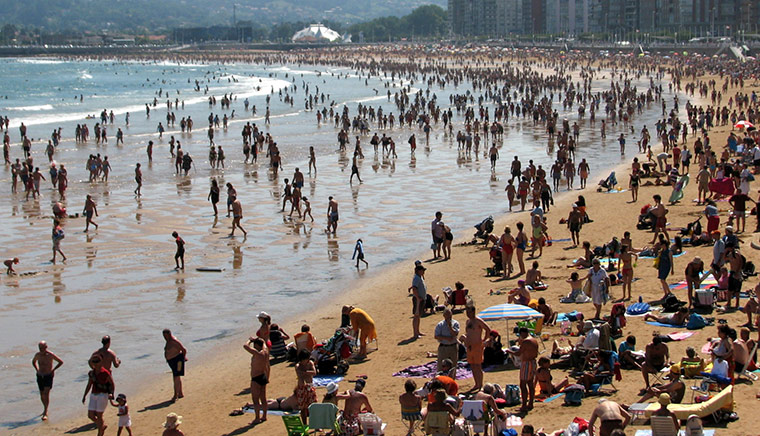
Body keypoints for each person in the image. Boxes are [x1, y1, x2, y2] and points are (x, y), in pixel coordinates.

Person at [507, 327, 539, 412]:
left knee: (523, 384)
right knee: (530, 384)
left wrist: (509, 351)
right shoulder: (533, 340)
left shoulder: (526, 341)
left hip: (527, 364)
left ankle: (524, 405)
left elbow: (518, 353)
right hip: (533, 362)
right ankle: (530, 403)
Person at [82, 354, 115, 436]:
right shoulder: (91, 373)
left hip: (102, 395)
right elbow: (89, 384)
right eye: (94, 362)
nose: (96, 363)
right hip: (93, 395)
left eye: (97, 361)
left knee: (99, 415)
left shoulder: (105, 372)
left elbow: (112, 384)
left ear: (101, 362)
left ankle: (100, 433)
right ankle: (101, 426)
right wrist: (84, 395)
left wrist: (111, 393)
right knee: (90, 415)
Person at [462, 302, 490, 392]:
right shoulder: (468, 322)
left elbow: (487, 329)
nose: (468, 314)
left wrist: (483, 340)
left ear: (473, 312)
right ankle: (476, 383)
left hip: (477, 346)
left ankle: (480, 384)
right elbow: (468, 333)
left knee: (478, 366)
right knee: (472, 366)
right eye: (467, 312)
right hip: (469, 347)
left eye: (469, 312)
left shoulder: (478, 321)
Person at [32, 341, 63, 420]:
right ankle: (44, 408)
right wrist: (37, 370)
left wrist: (53, 370)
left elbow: (60, 362)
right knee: (42, 394)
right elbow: (33, 362)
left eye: (42, 348)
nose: (41, 349)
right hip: (40, 375)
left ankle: (45, 411)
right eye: (40, 348)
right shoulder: (38, 355)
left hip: (48, 375)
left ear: (46, 347)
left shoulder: (50, 355)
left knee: (46, 393)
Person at [244, 337, 270, 425]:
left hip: (256, 378)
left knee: (255, 399)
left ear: (257, 346)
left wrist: (250, 340)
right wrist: (260, 340)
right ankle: (264, 416)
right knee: (263, 398)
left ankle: (257, 418)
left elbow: (245, 346)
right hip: (263, 376)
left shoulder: (257, 353)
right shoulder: (265, 352)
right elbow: (264, 344)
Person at [434, 308, 460, 377]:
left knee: (453, 366)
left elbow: (455, 334)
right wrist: (446, 338)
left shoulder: (455, 323)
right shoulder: (440, 325)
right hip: (443, 347)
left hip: (453, 347)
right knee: (441, 366)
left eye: (450, 314)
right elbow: (436, 336)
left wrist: (450, 326)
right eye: (447, 315)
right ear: (444, 315)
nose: (449, 316)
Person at [163, 329, 187, 402]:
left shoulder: (174, 341)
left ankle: (175, 395)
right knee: (176, 377)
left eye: (166, 336)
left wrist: (184, 357)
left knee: (176, 377)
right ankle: (180, 393)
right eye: (164, 336)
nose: (165, 337)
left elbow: (183, 349)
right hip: (172, 361)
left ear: (169, 334)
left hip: (177, 360)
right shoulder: (168, 341)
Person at [294, 349, 317, 425]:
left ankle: (315, 424)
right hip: (302, 388)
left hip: (310, 386)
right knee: (303, 408)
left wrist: (305, 372)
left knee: (313, 407)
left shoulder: (310, 363)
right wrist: (307, 372)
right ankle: (305, 425)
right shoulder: (298, 366)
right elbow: (299, 374)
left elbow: (314, 372)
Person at [409, 264, 427, 339]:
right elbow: (414, 288)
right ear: (419, 271)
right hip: (418, 300)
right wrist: (418, 297)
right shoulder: (416, 278)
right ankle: (415, 333)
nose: (424, 272)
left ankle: (418, 331)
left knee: (419, 316)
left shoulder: (420, 277)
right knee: (416, 316)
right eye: (423, 270)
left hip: (421, 299)